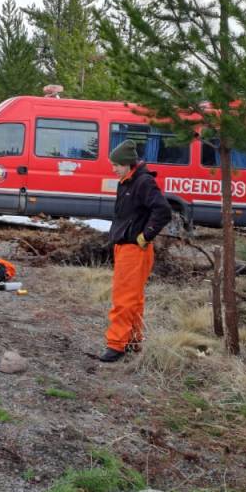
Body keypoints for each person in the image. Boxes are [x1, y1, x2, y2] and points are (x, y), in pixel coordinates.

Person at [101, 139, 173, 363]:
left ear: (128, 164)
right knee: (133, 298)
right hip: (125, 247)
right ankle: (132, 340)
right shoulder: (128, 181)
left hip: (134, 249)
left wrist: (146, 235)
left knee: (124, 298)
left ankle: (116, 345)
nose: (113, 169)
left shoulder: (143, 182)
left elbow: (163, 211)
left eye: (116, 165)